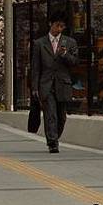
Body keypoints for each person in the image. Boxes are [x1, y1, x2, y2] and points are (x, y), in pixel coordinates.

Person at [31, 12, 78, 153]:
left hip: (63, 83)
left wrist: (65, 54)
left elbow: (75, 62)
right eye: (57, 25)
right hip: (46, 84)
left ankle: (55, 136)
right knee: (50, 114)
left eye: (62, 26)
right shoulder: (39, 44)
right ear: (51, 24)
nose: (59, 29)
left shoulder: (70, 43)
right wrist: (34, 87)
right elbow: (36, 67)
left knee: (61, 116)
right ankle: (52, 142)